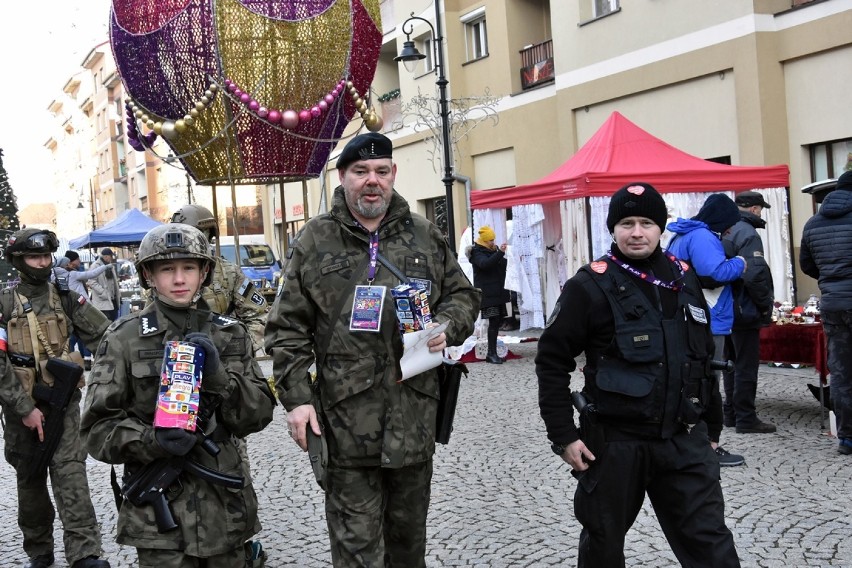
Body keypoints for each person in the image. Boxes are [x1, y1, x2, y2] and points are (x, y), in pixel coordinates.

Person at [264, 132, 480, 567]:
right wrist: (297, 401)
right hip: (344, 425)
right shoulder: (315, 240)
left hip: (413, 420)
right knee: (357, 554)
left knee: (407, 550)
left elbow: (463, 296)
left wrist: (447, 325)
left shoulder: (424, 234)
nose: (372, 181)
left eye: (381, 171)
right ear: (342, 177)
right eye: (361, 172)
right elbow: (286, 329)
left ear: (393, 175)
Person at [537, 183, 741, 567]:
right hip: (615, 443)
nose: (636, 232)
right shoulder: (589, 284)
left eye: (646, 222)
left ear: (660, 228)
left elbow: (700, 356)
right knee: (603, 546)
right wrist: (563, 436)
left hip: (684, 440)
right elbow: (551, 361)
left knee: (712, 548)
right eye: (627, 222)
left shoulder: (684, 278)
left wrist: (711, 429)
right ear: (613, 228)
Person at [80, 223, 276, 566]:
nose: (179, 279)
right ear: (148, 275)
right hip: (160, 517)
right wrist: (152, 439)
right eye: (167, 269)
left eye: (189, 268)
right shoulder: (123, 338)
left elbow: (257, 415)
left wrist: (219, 378)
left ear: (204, 273)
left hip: (224, 509)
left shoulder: (231, 334)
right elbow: (97, 431)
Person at [0, 229, 112, 568]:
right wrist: (24, 408)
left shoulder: (63, 295)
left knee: (71, 477)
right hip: (22, 411)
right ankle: (39, 550)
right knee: (30, 482)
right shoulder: (5, 302)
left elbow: (106, 337)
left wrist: (106, 387)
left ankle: (85, 553)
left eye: (47, 257)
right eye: (35, 257)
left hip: (64, 407)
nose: (43, 263)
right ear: (19, 261)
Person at [666, 194, 750, 462]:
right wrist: (740, 263)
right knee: (707, 384)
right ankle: (708, 447)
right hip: (709, 318)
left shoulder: (683, 235)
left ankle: (691, 442)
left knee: (693, 380)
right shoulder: (702, 237)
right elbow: (715, 273)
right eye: (730, 224)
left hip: (690, 316)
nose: (730, 230)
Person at [800, 170, 852, 455]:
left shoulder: (813, 223)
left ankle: (846, 437)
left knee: (842, 373)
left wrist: (831, 278)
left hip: (833, 303)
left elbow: (807, 265)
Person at [170, 203, 269, 352]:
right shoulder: (165, 275)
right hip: (180, 359)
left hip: (225, 359)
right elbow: (151, 325)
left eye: (204, 233)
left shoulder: (228, 272)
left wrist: (238, 349)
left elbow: (259, 316)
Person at [723, 191, 776, 433]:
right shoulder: (748, 233)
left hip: (727, 307)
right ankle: (746, 417)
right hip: (744, 306)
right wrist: (765, 304)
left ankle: (731, 414)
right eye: (760, 209)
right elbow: (754, 275)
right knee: (745, 364)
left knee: (731, 363)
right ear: (754, 209)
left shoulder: (727, 228)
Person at [54, 250, 114, 367]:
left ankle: (73, 359)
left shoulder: (53, 277)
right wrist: (105, 267)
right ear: (66, 264)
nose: (79, 261)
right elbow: (91, 274)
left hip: (66, 310)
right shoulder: (71, 274)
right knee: (86, 334)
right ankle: (86, 360)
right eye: (77, 259)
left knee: (72, 336)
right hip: (81, 308)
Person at [468, 225, 510, 364]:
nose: (493, 242)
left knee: (496, 322)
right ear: (484, 240)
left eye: (493, 239)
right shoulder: (477, 252)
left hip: (497, 293)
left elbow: (499, 266)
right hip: (488, 295)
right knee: (493, 323)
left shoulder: (492, 250)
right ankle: (491, 353)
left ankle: (492, 353)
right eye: (490, 240)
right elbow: (485, 264)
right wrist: (499, 254)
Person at [87, 248, 121, 321]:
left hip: (112, 299)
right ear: (106, 257)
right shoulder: (95, 266)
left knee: (114, 321)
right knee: (106, 323)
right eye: (110, 256)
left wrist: (118, 295)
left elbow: (113, 282)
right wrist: (103, 292)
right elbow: (91, 281)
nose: (112, 258)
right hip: (103, 300)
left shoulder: (110, 266)